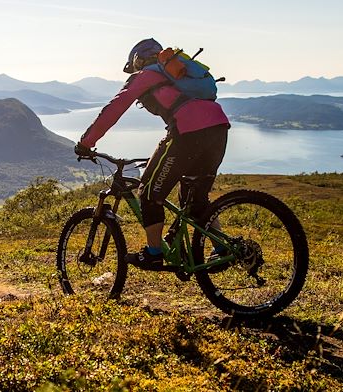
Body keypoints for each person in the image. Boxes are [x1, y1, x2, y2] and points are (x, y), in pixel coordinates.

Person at [75, 38, 230, 270]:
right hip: (219, 130)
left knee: (148, 193)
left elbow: (114, 108)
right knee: (195, 200)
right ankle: (223, 249)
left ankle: (154, 253)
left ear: (138, 61)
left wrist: (87, 142)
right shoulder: (177, 75)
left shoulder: (145, 76)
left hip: (187, 134)